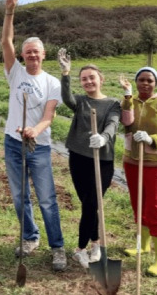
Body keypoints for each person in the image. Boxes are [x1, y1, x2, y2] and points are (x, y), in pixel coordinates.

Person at [1, 0, 66, 271]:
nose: (32, 56)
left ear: (43, 54)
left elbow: (49, 116)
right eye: (28, 52)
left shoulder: (51, 82)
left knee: (47, 199)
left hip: (38, 146)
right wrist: (9, 12)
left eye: (36, 52)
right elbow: (6, 42)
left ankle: (57, 248)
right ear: (23, 55)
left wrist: (35, 131)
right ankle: (29, 237)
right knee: (19, 196)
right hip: (12, 143)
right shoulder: (14, 72)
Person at [57, 48, 121, 269]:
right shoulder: (81, 101)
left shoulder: (113, 103)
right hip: (78, 157)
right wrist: (66, 74)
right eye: (83, 79)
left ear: (101, 79)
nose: (88, 82)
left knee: (93, 203)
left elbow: (113, 124)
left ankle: (80, 249)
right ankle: (96, 243)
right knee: (88, 204)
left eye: (91, 77)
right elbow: (66, 97)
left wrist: (104, 138)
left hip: (102, 160)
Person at [119, 67, 157, 276]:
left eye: (149, 80)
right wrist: (127, 96)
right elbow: (126, 122)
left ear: (156, 83)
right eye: (141, 80)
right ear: (136, 82)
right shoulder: (131, 101)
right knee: (138, 204)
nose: (145, 84)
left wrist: (152, 139)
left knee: (156, 209)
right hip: (133, 162)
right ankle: (142, 245)